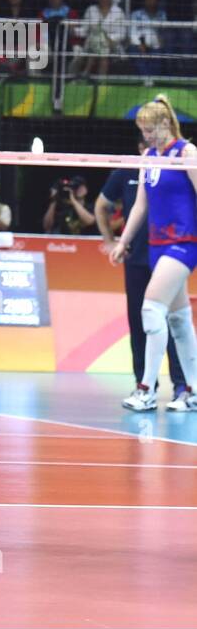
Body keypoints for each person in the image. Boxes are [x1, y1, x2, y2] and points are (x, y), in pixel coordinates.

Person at [111, 96, 197, 412]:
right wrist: (123, 241)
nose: (146, 135)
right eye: (142, 130)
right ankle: (192, 390)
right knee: (178, 319)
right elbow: (140, 205)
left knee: (150, 310)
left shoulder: (187, 153)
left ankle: (146, 389)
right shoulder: (148, 156)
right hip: (156, 245)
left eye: (149, 129)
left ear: (164, 123)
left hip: (184, 243)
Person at [97, 142, 190, 410]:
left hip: (172, 253)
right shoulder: (132, 170)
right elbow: (103, 205)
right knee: (141, 322)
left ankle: (183, 387)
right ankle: (145, 386)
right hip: (137, 258)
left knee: (172, 320)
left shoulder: (181, 162)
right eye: (147, 139)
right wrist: (112, 241)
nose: (152, 145)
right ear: (140, 147)